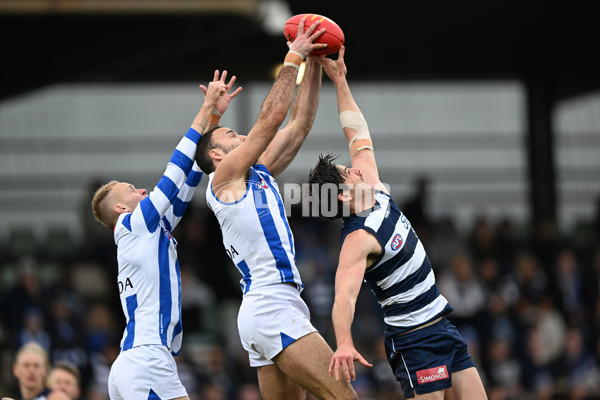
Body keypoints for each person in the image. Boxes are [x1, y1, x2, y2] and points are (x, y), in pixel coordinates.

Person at [306, 46, 488, 399]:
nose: (355, 167)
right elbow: (344, 296)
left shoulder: (374, 188)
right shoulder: (357, 238)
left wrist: (340, 80)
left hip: (443, 326)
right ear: (342, 196)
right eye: (347, 173)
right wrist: (343, 343)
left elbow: (357, 133)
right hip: (414, 339)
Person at [194, 17, 357, 400]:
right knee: (346, 397)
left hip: (270, 307)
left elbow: (299, 123)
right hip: (271, 305)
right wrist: (293, 58)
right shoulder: (223, 179)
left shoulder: (257, 173)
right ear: (217, 155)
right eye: (232, 134)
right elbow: (269, 120)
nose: (243, 135)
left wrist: (316, 61)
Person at [90, 71, 241, 400]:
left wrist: (215, 116)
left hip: (139, 360)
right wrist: (204, 109)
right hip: (147, 357)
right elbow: (174, 172)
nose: (141, 189)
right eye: (132, 189)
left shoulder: (148, 231)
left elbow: (189, 181)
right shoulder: (133, 224)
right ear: (119, 208)